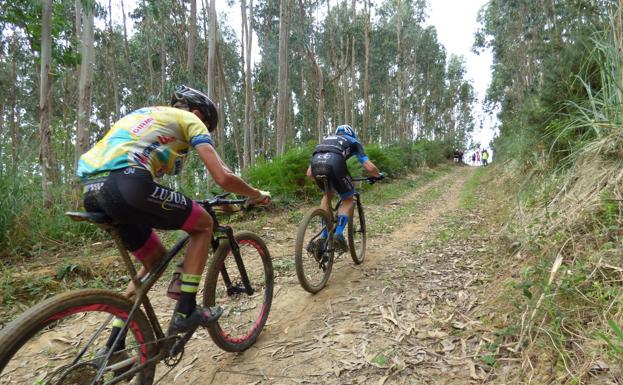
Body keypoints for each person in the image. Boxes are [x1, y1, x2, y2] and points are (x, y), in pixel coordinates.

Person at [77, 85, 271, 357]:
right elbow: (223, 176)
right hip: (126, 184)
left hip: (94, 190)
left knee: (154, 260)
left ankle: (113, 345)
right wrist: (255, 194)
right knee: (203, 226)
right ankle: (186, 310)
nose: (204, 131)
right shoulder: (191, 120)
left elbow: (157, 193)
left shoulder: (145, 118)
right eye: (207, 125)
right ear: (197, 113)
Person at [306, 124, 383, 252]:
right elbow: (369, 167)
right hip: (336, 163)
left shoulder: (326, 141)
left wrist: (329, 184)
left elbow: (309, 174)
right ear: (352, 134)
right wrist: (378, 175)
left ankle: (324, 235)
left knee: (327, 195)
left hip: (317, 164)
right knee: (348, 199)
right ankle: (339, 234)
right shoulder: (353, 142)